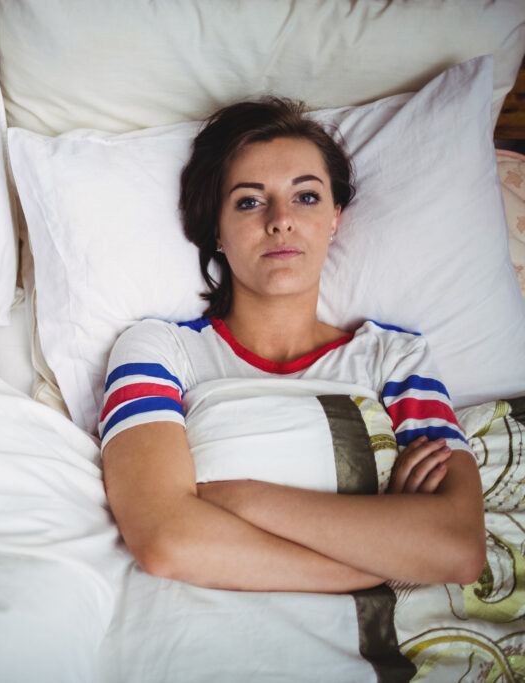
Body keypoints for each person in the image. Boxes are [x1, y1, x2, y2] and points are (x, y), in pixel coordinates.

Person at [99, 97, 486, 591]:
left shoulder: (396, 358)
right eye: (249, 201)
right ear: (217, 230)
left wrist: (236, 498)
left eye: (305, 197)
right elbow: (165, 541)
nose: (280, 219)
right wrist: (389, 546)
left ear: (334, 219)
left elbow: (457, 548)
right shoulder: (157, 351)